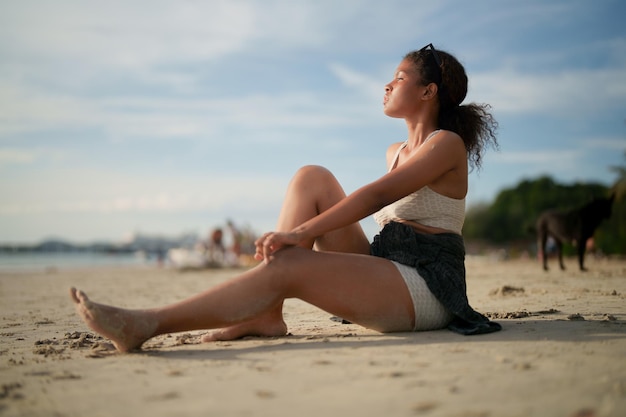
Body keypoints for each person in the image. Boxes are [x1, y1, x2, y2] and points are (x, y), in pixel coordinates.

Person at [70, 43, 501, 353]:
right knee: (310, 177)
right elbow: (370, 200)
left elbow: (376, 196)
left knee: (292, 260)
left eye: (400, 77)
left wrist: (299, 233)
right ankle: (265, 313)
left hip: (428, 287)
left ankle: (147, 323)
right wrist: (299, 233)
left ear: (428, 92)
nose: (387, 85)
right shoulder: (395, 152)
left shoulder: (446, 144)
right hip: (387, 266)